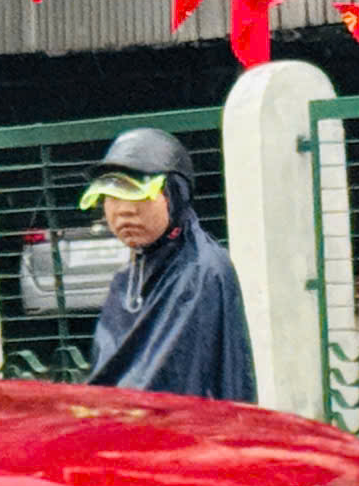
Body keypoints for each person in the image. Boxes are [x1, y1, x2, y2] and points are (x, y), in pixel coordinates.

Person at [81, 126, 257, 402]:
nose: (124, 210)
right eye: (112, 197)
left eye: (139, 194)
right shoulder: (126, 279)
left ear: (173, 195)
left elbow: (175, 378)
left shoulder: (201, 270)